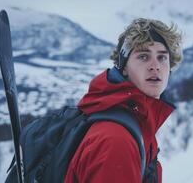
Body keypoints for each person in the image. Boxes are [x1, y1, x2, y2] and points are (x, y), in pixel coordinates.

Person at [64, 18, 183, 183]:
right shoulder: (116, 140)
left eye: (162, 57)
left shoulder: (136, 122)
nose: (155, 66)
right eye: (143, 56)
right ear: (124, 66)